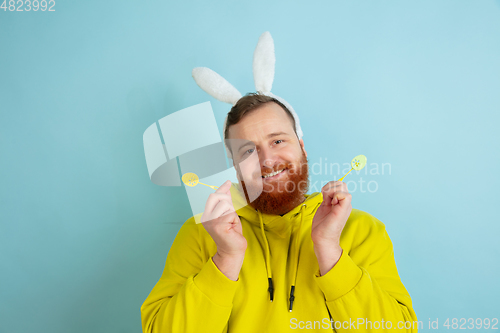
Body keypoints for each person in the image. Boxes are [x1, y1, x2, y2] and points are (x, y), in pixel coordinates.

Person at [140, 93, 419, 332]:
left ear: (302, 147)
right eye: (248, 150)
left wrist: (330, 251)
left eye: (277, 141)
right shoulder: (200, 232)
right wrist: (225, 259)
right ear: (235, 167)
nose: (267, 160)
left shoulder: (362, 230)